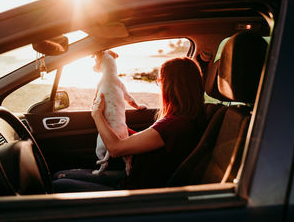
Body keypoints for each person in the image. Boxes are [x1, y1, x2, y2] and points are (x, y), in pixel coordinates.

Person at [53, 57, 206, 192]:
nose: (159, 86)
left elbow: (115, 149)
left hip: (136, 192)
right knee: (58, 176)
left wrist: (97, 115)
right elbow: (143, 142)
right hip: (134, 179)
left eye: (160, 81)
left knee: (59, 185)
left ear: (171, 87)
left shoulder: (173, 125)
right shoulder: (184, 120)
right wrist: (116, 124)